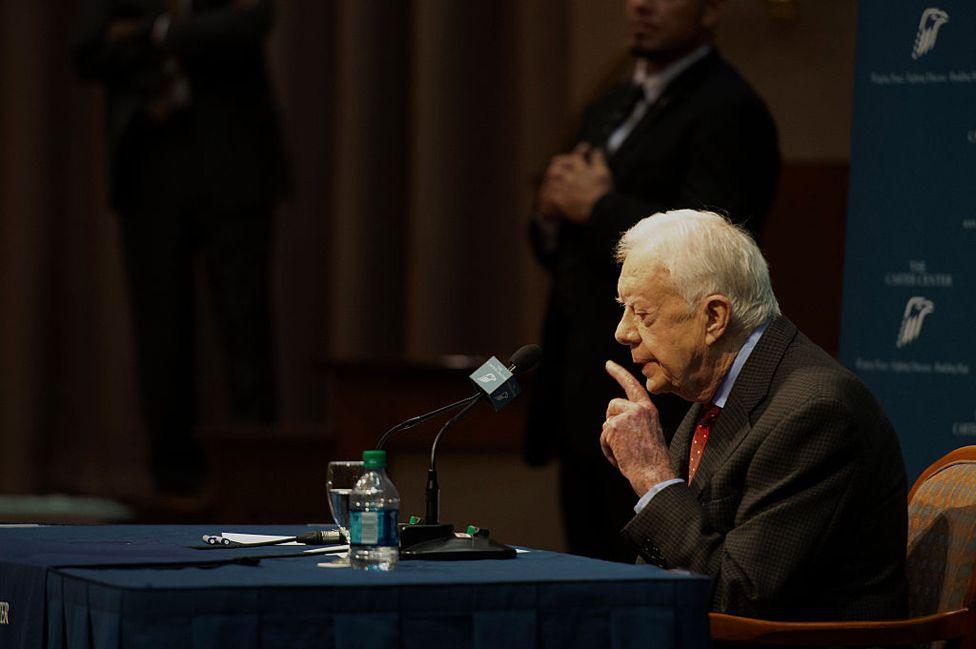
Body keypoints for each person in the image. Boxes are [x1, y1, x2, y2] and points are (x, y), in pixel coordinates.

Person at [526, 0, 780, 561]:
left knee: (650, 569)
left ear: (711, 10)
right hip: (581, 380)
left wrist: (598, 207)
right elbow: (570, 249)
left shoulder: (729, 109)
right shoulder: (610, 103)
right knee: (585, 568)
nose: (640, 5)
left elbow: (714, 247)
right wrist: (550, 216)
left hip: (667, 389)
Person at [601, 209, 908, 619]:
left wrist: (654, 480)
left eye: (642, 313)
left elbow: (740, 596)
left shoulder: (815, 412)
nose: (623, 332)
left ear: (714, 317)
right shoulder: (713, 395)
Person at [72, 0, 287, 495]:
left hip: (234, 158)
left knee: (245, 326)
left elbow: (250, 23)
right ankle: (174, 483)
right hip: (150, 161)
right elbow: (86, 49)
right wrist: (188, 35)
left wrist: (154, 33)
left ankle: (255, 485)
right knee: (161, 330)